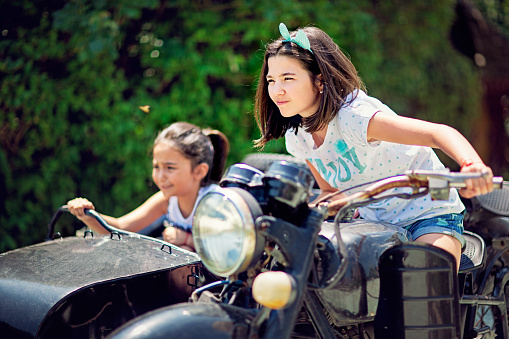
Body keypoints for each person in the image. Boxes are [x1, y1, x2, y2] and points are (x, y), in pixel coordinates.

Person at [253, 22, 494, 270]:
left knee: (425, 283)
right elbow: (330, 191)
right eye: (271, 80)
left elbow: (438, 133)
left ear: (320, 80)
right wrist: (318, 207)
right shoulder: (298, 137)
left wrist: (471, 165)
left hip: (429, 214)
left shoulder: (354, 117)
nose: (276, 90)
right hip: (375, 226)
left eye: (288, 78)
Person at [67, 122, 229, 252]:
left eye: (170, 168)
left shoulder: (216, 202)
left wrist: (187, 239)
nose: (160, 176)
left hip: (217, 284)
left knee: (183, 249)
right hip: (192, 279)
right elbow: (119, 228)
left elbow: (229, 246)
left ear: (199, 171)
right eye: (156, 167)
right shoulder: (168, 201)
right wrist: (87, 215)